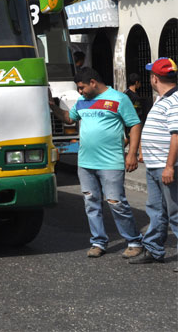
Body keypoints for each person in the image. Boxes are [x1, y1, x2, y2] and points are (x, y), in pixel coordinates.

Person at [50, 67, 143, 258]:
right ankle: (98, 241)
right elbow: (68, 119)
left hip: (111, 162)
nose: (80, 91)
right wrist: (52, 105)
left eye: (82, 87)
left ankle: (134, 240)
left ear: (93, 82)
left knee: (116, 202)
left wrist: (132, 153)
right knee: (91, 202)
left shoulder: (119, 99)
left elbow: (134, 124)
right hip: (85, 163)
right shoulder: (82, 102)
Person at [129, 58, 178, 269]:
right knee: (155, 209)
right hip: (154, 165)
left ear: (154, 78)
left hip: (166, 167)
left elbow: (176, 136)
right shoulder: (162, 98)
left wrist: (169, 166)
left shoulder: (174, 101)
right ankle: (154, 249)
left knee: (175, 211)